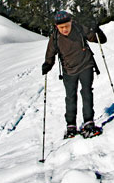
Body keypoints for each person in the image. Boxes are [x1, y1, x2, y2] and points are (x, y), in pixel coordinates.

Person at [42, 10, 107, 139]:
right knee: (70, 97)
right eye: (61, 27)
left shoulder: (79, 29)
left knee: (86, 92)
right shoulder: (55, 37)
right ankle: (71, 125)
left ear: (71, 22)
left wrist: (97, 30)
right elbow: (50, 53)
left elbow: (101, 40)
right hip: (69, 71)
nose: (64, 29)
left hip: (86, 65)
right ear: (56, 27)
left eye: (66, 26)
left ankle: (89, 122)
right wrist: (48, 64)